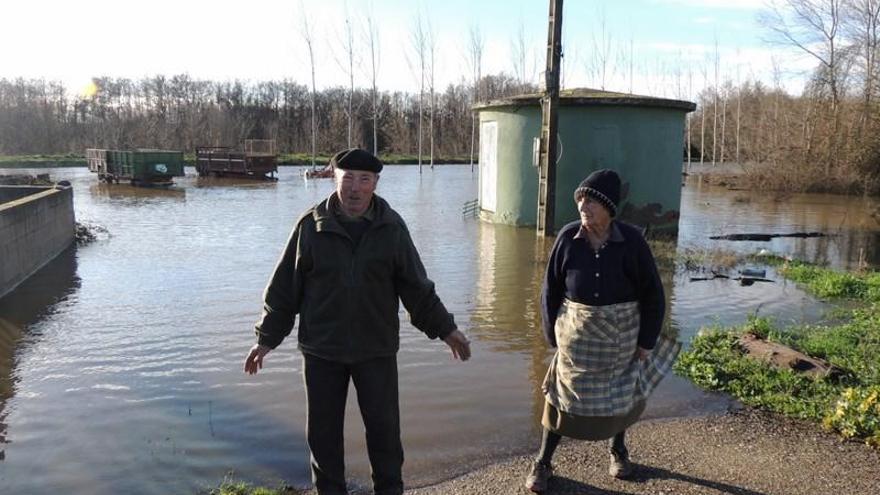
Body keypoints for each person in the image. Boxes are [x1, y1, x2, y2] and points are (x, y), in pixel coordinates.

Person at [244, 148, 472, 495]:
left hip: (375, 350)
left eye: (364, 179)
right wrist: (265, 339)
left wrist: (447, 329)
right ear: (334, 179)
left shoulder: (392, 228)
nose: (354, 187)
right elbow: (283, 291)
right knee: (323, 438)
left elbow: (417, 289)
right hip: (321, 351)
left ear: (375, 183)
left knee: (385, 435)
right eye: (347, 178)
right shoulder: (310, 227)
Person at [524, 168, 680, 493]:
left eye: (591, 201)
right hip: (575, 342)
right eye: (580, 200)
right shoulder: (568, 238)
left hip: (621, 340)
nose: (583, 206)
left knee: (620, 398)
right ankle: (543, 461)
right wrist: (551, 335)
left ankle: (618, 451)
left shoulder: (632, 241)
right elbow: (549, 291)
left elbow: (653, 294)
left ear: (609, 207)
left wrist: (647, 341)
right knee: (559, 398)